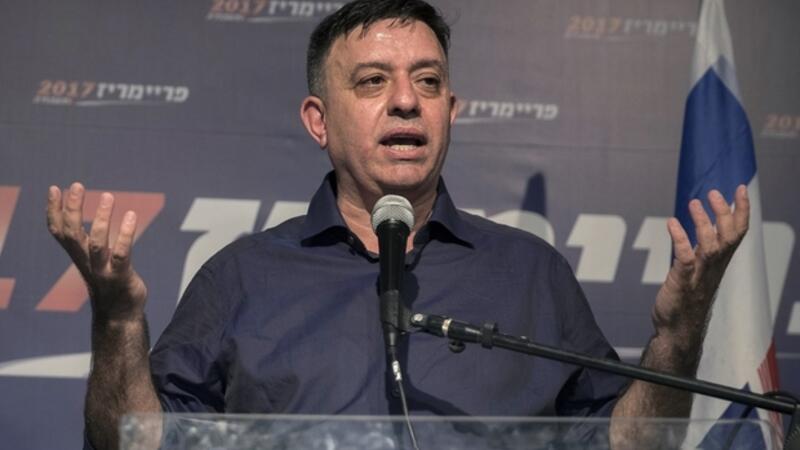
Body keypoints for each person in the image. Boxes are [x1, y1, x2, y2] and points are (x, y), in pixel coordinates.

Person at [46, 1, 750, 449]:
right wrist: (117, 321)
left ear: (451, 110)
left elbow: (630, 444)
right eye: (373, 81)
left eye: (429, 81)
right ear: (319, 121)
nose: (407, 102)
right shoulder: (241, 276)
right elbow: (132, 443)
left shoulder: (531, 273)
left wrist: (678, 332)